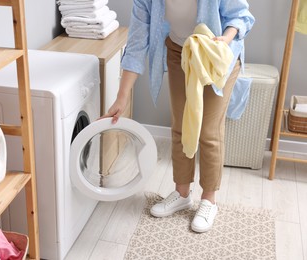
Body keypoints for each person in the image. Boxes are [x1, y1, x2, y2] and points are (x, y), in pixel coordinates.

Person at [100, 0, 255, 233]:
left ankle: (209, 200)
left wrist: (226, 38)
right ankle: (182, 193)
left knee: (208, 131)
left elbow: (241, 15)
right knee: (181, 126)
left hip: (217, 52)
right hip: (179, 50)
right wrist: (122, 97)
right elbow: (137, 43)